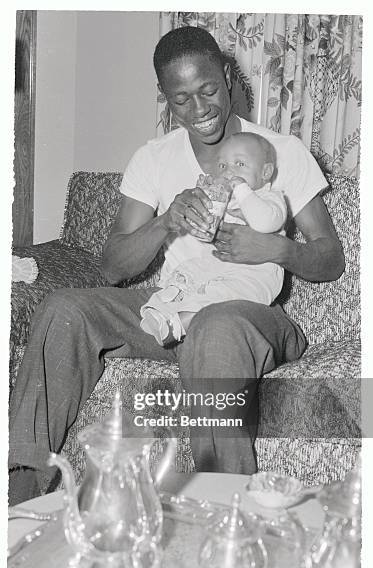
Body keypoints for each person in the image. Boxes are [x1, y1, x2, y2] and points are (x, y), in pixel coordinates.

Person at [8, 26, 344, 504]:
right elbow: (111, 268)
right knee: (65, 309)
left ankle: (226, 509)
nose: (199, 109)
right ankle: (19, 497)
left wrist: (274, 249)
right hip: (171, 309)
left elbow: (330, 256)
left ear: (228, 76)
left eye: (208, 90)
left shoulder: (280, 152)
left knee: (215, 325)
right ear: (165, 97)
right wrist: (166, 222)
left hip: (247, 314)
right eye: (181, 98)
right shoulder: (155, 158)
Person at [140, 132, 288, 345]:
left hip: (257, 274)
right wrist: (207, 204)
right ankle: (162, 308)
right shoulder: (229, 202)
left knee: (222, 294)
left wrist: (241, 189)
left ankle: (183, 321)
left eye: (239, 164)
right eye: (222, 166)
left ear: (266, 172)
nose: (229, 172)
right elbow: (207, 237)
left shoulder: (271, 198)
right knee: (189, 271)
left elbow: (265, 223)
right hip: (219, 263)